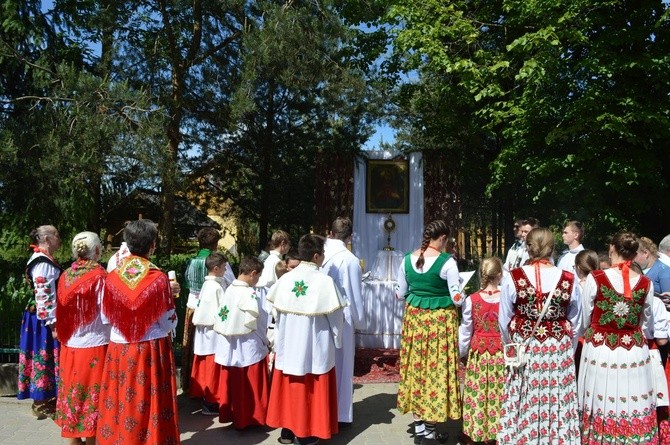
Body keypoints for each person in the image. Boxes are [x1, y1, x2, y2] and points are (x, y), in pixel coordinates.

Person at [96, 219, 180, 444]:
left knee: (121, 398)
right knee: (149, 400)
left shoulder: (112, 276)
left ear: (127, 243)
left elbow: (106, 317)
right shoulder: (158, 278)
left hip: (119, 349)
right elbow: (168, 322)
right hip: (150, 349)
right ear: (152, 245)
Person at [497, 227, 582, 445]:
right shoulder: (568, 279)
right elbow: (576, 321)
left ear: (528, 247)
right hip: (558, 350)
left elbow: (504, 319)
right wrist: (567, 349)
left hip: (524, 348)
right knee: (557, 398)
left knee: (524, 396)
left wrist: (512, 345)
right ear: (553, 248)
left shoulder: (512, 277)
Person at [578, 232, 660, 443]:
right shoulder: (645, 283)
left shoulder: (596, 278)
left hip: (600, 349)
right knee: (631, 399)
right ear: (634, 254)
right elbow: (646, 321)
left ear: (612, 248)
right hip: (633, 350)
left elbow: (585, 318)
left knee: (600, 399)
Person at [266, 234, 347, 445]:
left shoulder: (285, 280)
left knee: (291, 387)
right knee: (310, 389)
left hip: (288, 345)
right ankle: (307, 432)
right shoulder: (324, 282)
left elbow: (274, 313)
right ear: (317, 255)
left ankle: (288, 429)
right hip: (314, 347)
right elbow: (336, 319)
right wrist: (338, 340)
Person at [395, 220, 463, 444]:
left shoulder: (406, 260)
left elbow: (399, 293)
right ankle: (431, 430)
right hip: (439, 322)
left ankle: (420, 426)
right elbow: (457, 298)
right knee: (436, 369)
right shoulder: (447, 262)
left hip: (415, 320)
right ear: (442, 238)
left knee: (416, 368)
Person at [54, 232, 109, 444]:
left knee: (74, 394)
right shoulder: (100, 277)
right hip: (95, 344)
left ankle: (74, 440)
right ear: (96, 250)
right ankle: (94, 439)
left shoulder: (65, 275)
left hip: (70, 345)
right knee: (92, 397)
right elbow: (106, 314)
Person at [213, 256, 271, 429]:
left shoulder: (229, 288)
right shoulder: (249, 294)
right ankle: (252, 419)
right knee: (250, 384)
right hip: (248, 345)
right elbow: (259, 322)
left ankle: (234, 415)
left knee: (234, 383)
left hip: (229, 346)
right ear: (253, 273)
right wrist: (266, 341)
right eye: (259, 276)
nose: (258, 280)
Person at [321, 216, 365, 426]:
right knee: (343, 364)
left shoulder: (320, 254)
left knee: (324, 363)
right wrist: (360, 321)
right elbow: (355, 295)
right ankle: (340, 414)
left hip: (320, 316)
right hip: (343, 316)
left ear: (331, 233)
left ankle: (324, 410)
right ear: (349, 237)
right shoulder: (349, 260)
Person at [458, 256, 505, 445]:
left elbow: (465, 329)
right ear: (500, 275)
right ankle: (497, 432)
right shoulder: (507, 298)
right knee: (498, 393)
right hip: (500, 354)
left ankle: (476, 431)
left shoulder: (471, 300)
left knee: (478, 394)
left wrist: (461, 352)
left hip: (479, 354)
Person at [18, 225, 62, 419]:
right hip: (43, 319)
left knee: (44, 358)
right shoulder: (42, 262)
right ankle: (41, 402)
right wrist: (52, 323)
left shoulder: (42, 259)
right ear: (46, 238)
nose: (59, 239)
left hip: (40, 317)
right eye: (56, 235)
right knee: (43, 357)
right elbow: (43, 294)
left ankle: (46, 399)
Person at [182, 227, 234, 389]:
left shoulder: (190, 261)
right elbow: (230, 282)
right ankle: (210, 386)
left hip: (193, 307)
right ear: (216, 244)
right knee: (211, 349)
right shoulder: (217, 262)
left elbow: (185, 284)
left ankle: (191, 383)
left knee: (193, 346)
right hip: (213, 309)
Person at [190, 252, 228, 415]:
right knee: (212, 366)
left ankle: (206, 397)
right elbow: (222, 312)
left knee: (206, 364)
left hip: (204, 331)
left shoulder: (208, 284)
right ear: (216, 268)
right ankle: (211, 401)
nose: (226, 270)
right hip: (213, 332)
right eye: (224, 267)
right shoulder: (216, 287)